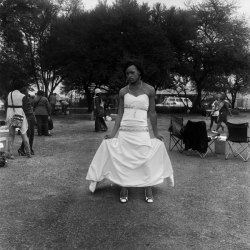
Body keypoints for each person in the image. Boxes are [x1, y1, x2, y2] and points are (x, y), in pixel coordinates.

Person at [86, 61, 174, 203]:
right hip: (125, 131)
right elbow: (120, 113)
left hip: (141, 131)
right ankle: (124, 187)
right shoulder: (123, 91)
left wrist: (156, 133)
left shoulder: (150, 90)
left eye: (132, 72)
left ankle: (148, 187)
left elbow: (152, 113)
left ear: (140, 73)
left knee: (145, 159)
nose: (129, 75)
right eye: (127, 73)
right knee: (124, 160)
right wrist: (113, 133)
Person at [5, 83, 31, 159]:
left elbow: (6, 104)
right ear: (21, 88)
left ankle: (10, 153)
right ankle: (28, 153)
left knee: (11, 135)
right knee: (24, 134)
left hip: (10, 115)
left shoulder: (9, 94)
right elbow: (25, 108)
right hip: (19, 115)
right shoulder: (22, 96)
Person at [18, 88, 36, 156]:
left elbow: (30, 108)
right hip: (26, 117)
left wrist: (34, 117)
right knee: (28, 134)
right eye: (26, 91)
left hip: (30, 116)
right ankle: (23, 149)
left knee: (31, 134)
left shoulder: (27, 98)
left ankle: (29, 148)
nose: (27, 92)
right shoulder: (22, 98)